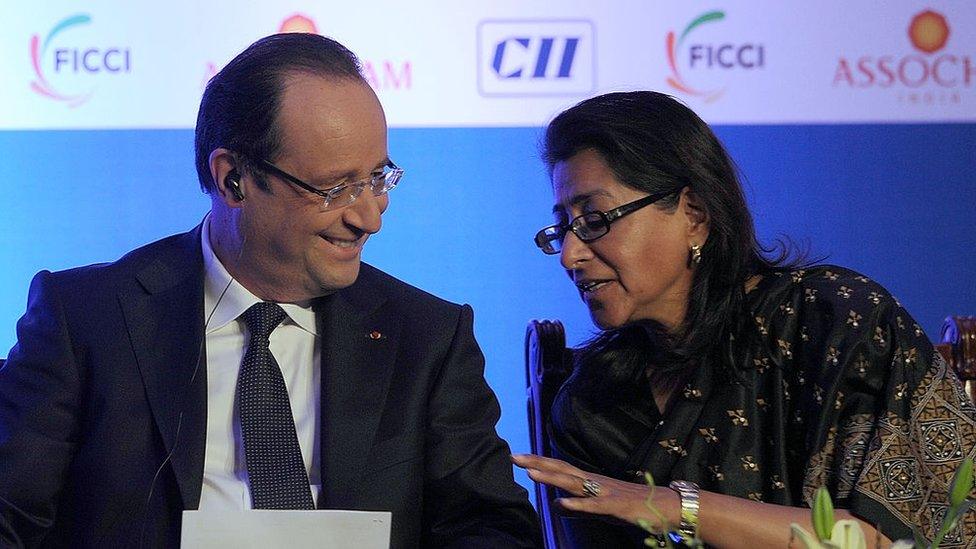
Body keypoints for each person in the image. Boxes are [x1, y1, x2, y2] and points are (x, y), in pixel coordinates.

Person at [0, 33, 539, 548]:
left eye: (378, 178)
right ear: (234, 179)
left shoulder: (426, 338)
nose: (370, 217)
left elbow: (491, 528)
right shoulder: (86, 319)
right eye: (335, 188)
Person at [512, 91, 976, 548]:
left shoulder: (837, 323)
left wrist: (675, 508)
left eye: (595, 219)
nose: (571, 255)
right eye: (564, 228)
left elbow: (894, 535)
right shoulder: (593, 405)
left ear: (694, 215)